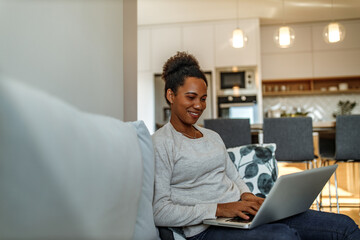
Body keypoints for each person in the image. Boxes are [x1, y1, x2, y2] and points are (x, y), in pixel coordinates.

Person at [152, 51, 360, 240]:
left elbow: (233, 176)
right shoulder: (162, 143)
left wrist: (249, 197)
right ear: (171, 95)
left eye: (203, 98)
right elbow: (160, 211)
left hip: (242, 214)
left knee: (346, 226)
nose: (199, 105)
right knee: (283, 237)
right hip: (206, 228)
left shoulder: (212, 136)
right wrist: (220, 209)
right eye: (191, 97)